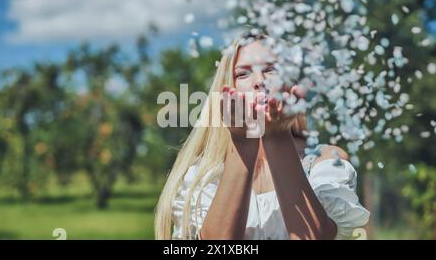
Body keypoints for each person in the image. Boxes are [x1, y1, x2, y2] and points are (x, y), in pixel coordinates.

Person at [154, 33, 370, 240]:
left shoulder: (325, 162)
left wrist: (277, 136)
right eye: (243, 73)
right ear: (226, 91)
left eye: (271, 70)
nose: (259, 81)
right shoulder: (204, 175)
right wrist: (243, 143)